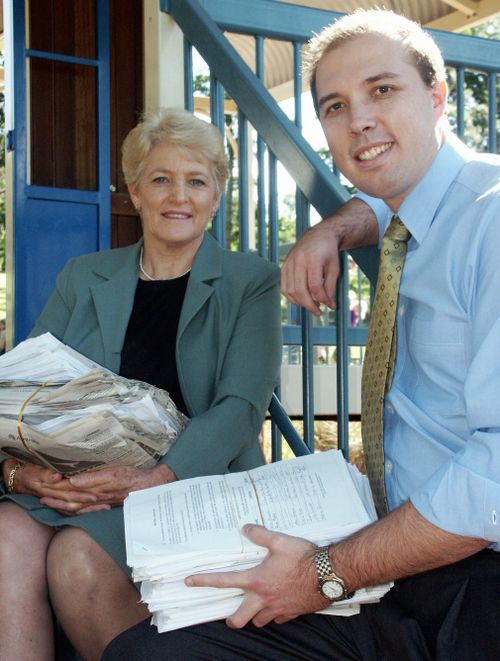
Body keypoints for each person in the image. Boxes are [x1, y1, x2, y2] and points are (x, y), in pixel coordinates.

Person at [102, 10, 500, 660]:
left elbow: (494, 484)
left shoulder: (490, 219)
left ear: (437, 96)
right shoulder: (409, 209)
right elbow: (386, 198)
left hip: (474, 589)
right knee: (142, 647)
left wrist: (323, 571)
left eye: (382, 90)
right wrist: (331, 230)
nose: (359, 120)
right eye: (335, 105)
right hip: (397, 566)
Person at [0, 108, 282, 661]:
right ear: (134, 191)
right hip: (74, 481)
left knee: (76, 557)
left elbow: (240, 408)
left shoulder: (251, 281)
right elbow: (22, 393)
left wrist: (153, 476)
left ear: (216, 193)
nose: (179, 195)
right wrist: (22, 473)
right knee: (6, 538)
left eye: (196, 180)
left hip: (191, 481)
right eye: (161, 179)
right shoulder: (83, 276)